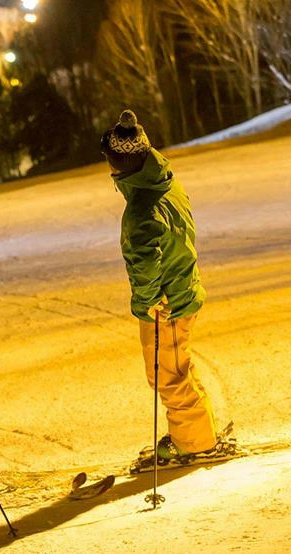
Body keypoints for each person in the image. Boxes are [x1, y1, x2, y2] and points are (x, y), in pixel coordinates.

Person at [101, 110, 219, 460]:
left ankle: (196, 443)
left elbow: (145, 263)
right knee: (178, 367)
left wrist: (148, 301)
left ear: (120, 166)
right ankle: (195, 429)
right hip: (184, 290)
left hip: (167, 304)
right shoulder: (166, 182)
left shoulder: (142, 209)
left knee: (168, 376)